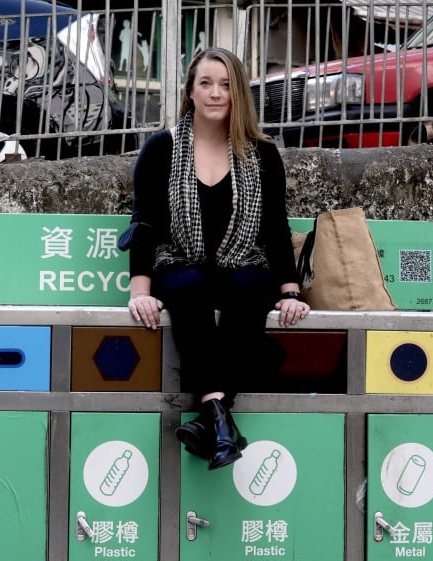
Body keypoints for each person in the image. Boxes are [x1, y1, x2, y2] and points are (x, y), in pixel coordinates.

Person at [121, 47, 309, 471]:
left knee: (249, 286)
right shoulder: (161, 149)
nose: (215, 93)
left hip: (241, 260)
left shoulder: (261, 154)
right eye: (205, 83)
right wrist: (140, 292)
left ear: (238, 92)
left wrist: (290, 291)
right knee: (189, 286)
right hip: (179, 262)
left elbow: (275, 228)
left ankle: (212, 420)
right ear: (190, 92)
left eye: (225, 85)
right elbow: (144, 225)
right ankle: (222, 419)